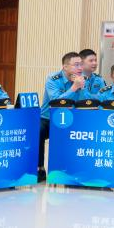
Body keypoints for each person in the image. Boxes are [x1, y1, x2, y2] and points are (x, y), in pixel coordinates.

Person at [39, 52, 92, 180]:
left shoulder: (82, 79)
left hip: (72, 118)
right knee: (37, 131)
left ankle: (75, 169)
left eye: (81, 64)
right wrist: (74, 87)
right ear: (65, 67)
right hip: (48, 118)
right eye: (76, 65)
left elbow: (87, 101)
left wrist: (82, 88)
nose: (80, 68)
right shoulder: (53, 79)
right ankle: (39, 168)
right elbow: (56, 101)